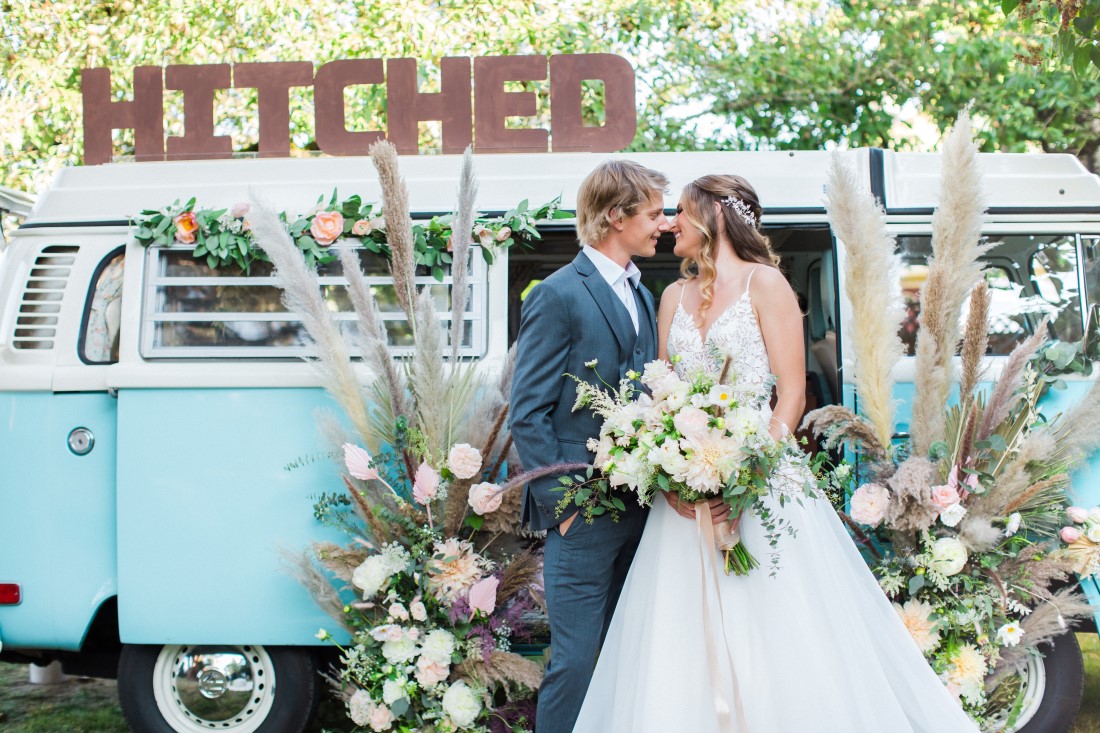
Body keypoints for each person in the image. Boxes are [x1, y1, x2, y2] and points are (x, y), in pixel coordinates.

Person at [570, 174, 980, 733]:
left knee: (778, 624)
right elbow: (660, 390)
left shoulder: (766, 284)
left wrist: (745, 474)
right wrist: (669, 470)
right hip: (682, 500)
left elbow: (790, 392)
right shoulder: (671, 296)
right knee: (677, 632)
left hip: (761, 479)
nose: (671, 226)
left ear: (712, 219)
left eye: (681, 215)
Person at [509, 159, 677, 733]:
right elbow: (526, 410)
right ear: (616, 215)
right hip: (581, 513)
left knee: (629, 659)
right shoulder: (558, 295)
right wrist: (565, 506)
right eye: (654, 213)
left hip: (642, 509)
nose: (664, 224)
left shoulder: (644, 294)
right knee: (577, 663)